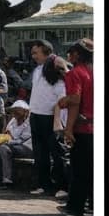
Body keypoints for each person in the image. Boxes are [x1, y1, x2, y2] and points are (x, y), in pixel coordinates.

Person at [26, 40, 68, 197]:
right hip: (36, 115)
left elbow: (62, 97)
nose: (33, 56)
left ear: (46, 52)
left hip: (50, 117)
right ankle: (44, 184)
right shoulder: (37, 70)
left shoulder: (55, 71)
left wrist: (58, 118)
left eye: (36, 52)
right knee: (39, 153)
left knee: (57, 153)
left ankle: (62, 186)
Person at [58, 39, 94, 216]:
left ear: (77, 54)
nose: (69, 56)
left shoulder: (75, 73)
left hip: (83, 128)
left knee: (80, 170)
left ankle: (75, 207)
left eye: (71, 52)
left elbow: (75, 100)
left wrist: (68, 129)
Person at [0, 100, 32, 188]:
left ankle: (6, 179)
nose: (15, 112)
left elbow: (22, 140)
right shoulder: (13, 121)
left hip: (26, 147)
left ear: (25, 111)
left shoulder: (29, 123)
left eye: (18, 110)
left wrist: (7, 141)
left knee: (3, 148)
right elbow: (6, 133)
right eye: (14, 110)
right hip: (12, 145)